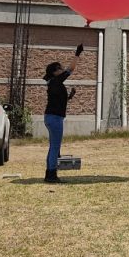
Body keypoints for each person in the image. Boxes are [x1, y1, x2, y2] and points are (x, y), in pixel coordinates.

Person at [43, 44, 83, 183]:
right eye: (59, 68)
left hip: (51, 117)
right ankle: (51, 174)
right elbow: (70, 69)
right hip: (55, 118)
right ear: (55, 72)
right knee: (55, 146)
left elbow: (58, 100)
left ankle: (49, 172)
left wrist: (70, 96)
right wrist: (77, 53)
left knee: (53, 146)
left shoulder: (53, 83)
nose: (62, 69)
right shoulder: (56, 80)